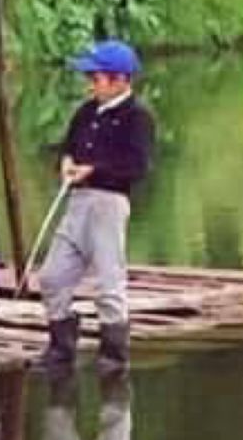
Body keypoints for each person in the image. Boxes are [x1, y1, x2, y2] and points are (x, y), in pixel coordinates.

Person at [37, 40, 155, 374]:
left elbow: (138, 166)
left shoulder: (138, 117)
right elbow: (67, 147)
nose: (90, 83)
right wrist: (67, 162)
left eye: (97, 77)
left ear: (120, 80)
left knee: (108, 279)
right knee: (52, 276)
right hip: (77, 202)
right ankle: (62, 342)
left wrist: (96, 169)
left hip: (109, 204)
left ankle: (114, 352)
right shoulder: (86, 112)